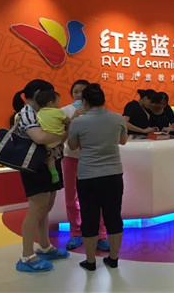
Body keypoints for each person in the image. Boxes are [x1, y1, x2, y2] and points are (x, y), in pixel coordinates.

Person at [68, 84, 128, 271]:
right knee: (113, 216)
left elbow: (72, 146)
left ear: (84, 102)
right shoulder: (117, 118)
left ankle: (91, 261)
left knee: (89, 218)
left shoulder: (78, 122)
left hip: (87, 176)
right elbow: (123, 141)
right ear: (103, 100)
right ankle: (114, 258)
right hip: (113, 175)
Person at [12, 79, 70, 273]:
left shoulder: (44, 112)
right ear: (38, 93)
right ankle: (27, 255)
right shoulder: (27, 113)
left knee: (46, 207)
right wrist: (61, 133)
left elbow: (54, 137)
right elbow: (40, 138)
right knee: (36, 208)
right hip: (35, 165)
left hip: (51, 161)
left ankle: (45, 246)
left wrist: (59, 135)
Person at [60, 80, 110, 251]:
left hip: (93, 159)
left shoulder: (100, 112)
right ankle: (75, 233)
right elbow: (60, 135)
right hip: (71, 157)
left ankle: (101, 234)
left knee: (97, 197)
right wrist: (73, 119)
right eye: (75, 91)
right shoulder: (64, 111)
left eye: (82, 91)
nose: (79, 95)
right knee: (71, 197)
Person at [36, 91, 70, 184]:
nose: (59, 104)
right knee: (60, 150)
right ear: (51, 103)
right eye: (58, 101)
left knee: (49, 158)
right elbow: (67, 120)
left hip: (46, 141)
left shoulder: (38, 113)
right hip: (59, 137)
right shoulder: (58, 111)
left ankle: (53, 172)